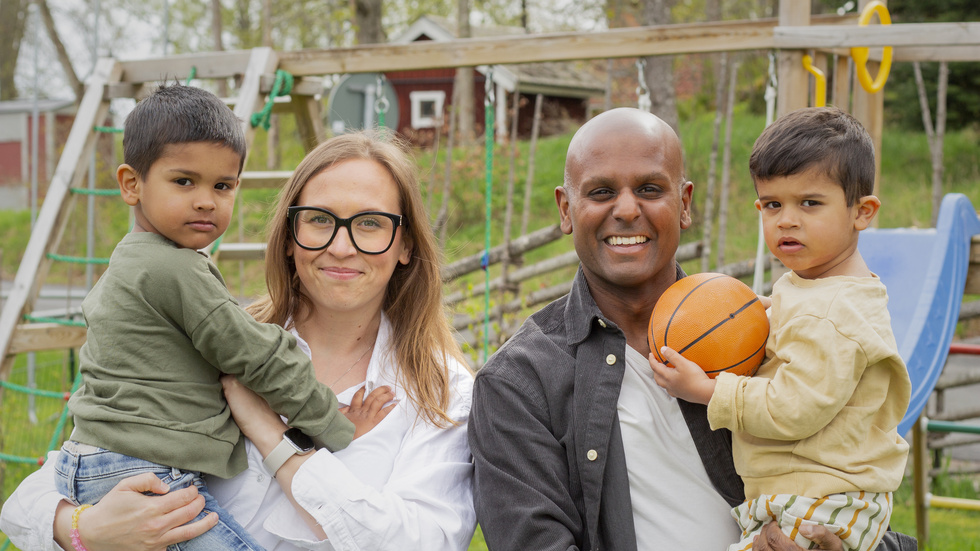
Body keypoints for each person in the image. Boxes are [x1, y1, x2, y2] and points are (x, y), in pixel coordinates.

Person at [0, 130, 476, 551]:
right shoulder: (212, 338)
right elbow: (32, 499)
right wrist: (83, 529)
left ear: (406, 244)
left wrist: (275, 441)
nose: (341, 245)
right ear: (289, 236)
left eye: (370, 223)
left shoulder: (440, 390)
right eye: (319, 220)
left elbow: (424, 539)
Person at [467, 107, 917, 551]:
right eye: (602, 192)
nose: (626, 209)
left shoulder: (759, 330)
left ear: (684, 204)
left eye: (648, 188)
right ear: (567, 210)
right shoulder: (517, 385)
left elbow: (846, 470)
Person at [47, 84, 376, 551]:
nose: (206, 200)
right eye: (185, 181)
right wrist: (333, 424)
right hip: (142, 469)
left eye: (222, 186)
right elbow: (254, 356)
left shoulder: (131, 260)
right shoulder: (174, 267)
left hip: (97, 459)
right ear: (131, 184)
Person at [650, 106, 911, 551]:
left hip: (823, 501)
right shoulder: (813, 289)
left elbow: (794, 407)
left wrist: (711, 391)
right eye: (773, 204)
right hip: (802, 494)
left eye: (809, 203)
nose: (786, 219)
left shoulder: (832, 312)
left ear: (862, 212)